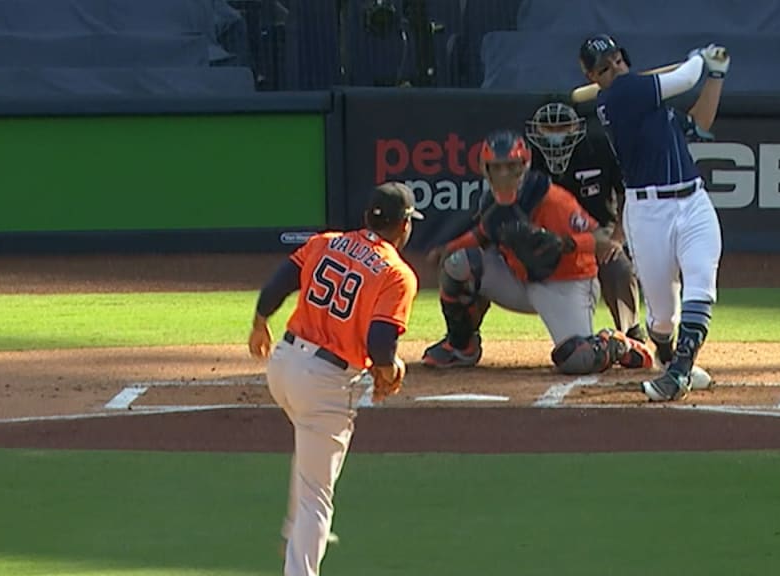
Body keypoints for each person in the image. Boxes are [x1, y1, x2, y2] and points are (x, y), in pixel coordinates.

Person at [248, 182, 422, 576]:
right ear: (405, 227)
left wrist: (260, 322)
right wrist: (391, 369)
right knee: (317, 499)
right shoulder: (397, 274)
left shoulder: (326, 242)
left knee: (308, 453)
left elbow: (279, 283)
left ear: (367, 218)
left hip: (283, 366)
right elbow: (381, 340)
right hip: (324, 383)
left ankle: (295, 531)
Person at [420, 129, 653, 375]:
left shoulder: (553, 199)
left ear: (525, 165)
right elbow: (483, 233)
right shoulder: (492, 202)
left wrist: (564, 243)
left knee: (578, 360)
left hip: (566, 283)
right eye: (496, 167)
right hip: (519, 279)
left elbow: (600, 240)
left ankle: (615, 343)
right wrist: (448, 249)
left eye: (511, 166)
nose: (504, 174)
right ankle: (460, 346)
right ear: (484, 168)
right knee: (459, 264)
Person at [577, 34, 728, 401]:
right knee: (663, 317)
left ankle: (677, 373)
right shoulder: (619, 96)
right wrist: (699, 57)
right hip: (648, 214)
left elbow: (700, 124)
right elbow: (684, 78)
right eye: (604, 67)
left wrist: (716, 76)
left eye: (617, 60)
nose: (615, 68)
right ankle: (669, 353)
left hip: (693, 202)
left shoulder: (644, 98)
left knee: (700, 284)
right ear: (593, 76)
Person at [525, 100, 715, 389]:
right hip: (553, 241)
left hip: (598, 237)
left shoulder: (599, 146)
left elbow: (629, 191)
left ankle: (631, 334)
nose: (556, 134)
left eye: (562, 125)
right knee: (577, 354)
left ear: (577, 126)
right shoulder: (527, 158)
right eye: (549, 127)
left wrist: (616, 238)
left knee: (619, 267)